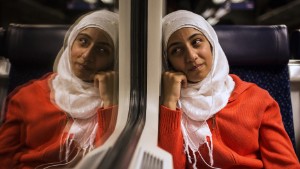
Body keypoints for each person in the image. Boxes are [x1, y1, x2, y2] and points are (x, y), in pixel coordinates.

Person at [158, 10, 300, 169]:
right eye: (177, 50)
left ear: (212, 44)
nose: (191, 56)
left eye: (197, 41)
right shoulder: (169, 108)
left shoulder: (258, 99)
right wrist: (170, 102)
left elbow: (285, 166)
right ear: (169, 61)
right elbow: (170, 166)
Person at [0, 10, 119, 168]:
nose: (87, 55)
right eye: (83, 41)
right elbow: (4, 158)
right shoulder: (27, 95)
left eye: (102, 50)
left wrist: (109, 101)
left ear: (114, 60)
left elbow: (108, 157)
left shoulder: (118, 103)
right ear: (71, 43)